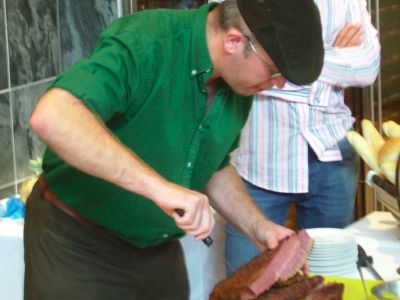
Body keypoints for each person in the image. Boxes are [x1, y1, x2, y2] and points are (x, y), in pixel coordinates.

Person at [24, 0, 324, 299]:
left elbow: (214, 166)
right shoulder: (147, 40)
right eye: (273, 71)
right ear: (234, 41)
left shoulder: (239, 82)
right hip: (77, 243)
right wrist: (160, 189)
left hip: (157, 249)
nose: (278, 84)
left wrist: (258, 227)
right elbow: (53, 116)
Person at [227, 0, 381, 275]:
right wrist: (334, 57)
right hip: (260, 160)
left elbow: (368, 68)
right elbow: (233, 62)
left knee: (328, 279)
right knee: (246, 283)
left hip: (332, 153)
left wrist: (280, 63)